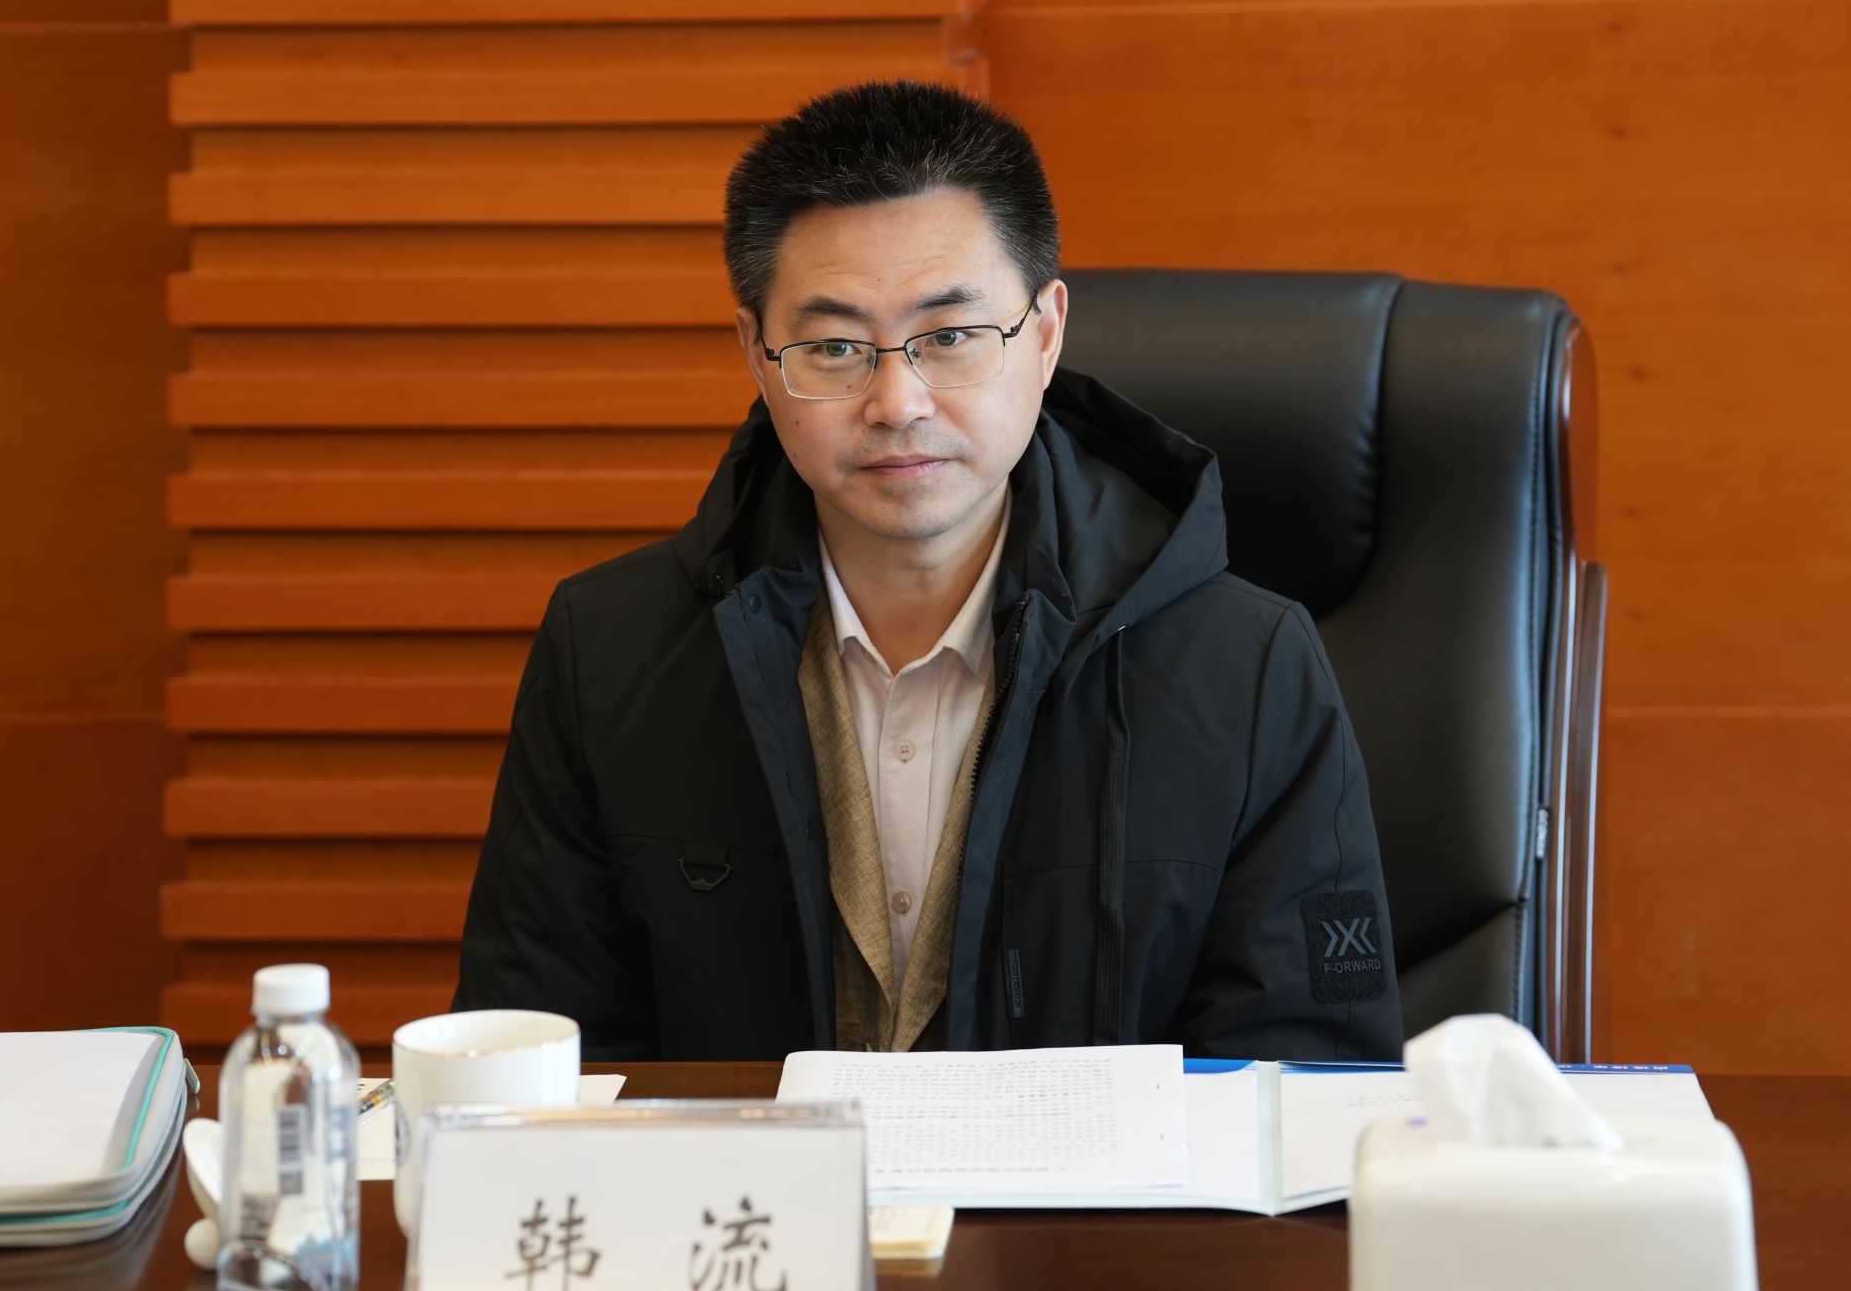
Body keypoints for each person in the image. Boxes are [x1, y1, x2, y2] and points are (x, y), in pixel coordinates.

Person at [453, 80, 1401, 1061]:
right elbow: (535, 1067)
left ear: (1045, 334)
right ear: (758, 356)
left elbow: (1310, 1080)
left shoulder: (1248, 668)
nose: (897, 402)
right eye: (834, 347)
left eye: (949, 337)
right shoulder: (607, 655)